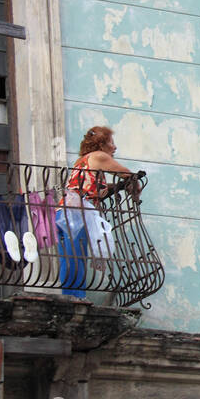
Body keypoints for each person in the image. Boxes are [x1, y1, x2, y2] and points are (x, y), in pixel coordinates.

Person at [57, 126, 141, 297]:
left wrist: (114, 188)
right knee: (76, 257)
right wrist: (135, 184)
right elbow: (125, 173)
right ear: (102, 144)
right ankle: (75, 298)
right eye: (112, 142)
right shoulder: (99, 156)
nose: (114, 147)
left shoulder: (82, 161)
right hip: (76, 213)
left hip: (63, 212)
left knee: (69, 255)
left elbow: (91, 187)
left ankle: (70, 295)